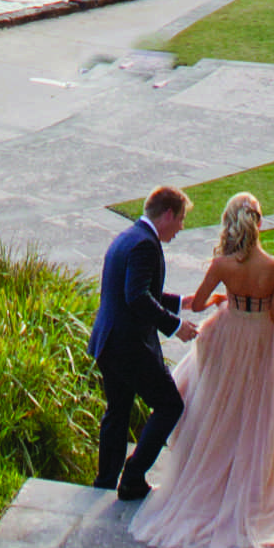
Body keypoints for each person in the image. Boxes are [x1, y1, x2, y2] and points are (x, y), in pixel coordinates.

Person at [131, 189, 274, 548]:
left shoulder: (222, 265)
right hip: (260, 340)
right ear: (259, 223)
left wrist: (220, 299)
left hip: (228, 337)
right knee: (254, 415)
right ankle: (246, 491)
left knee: (219, 411)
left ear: (231, 223)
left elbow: (196, 303)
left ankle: (211, 483)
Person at [89, 184, 192, 502]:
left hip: (108, 343)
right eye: (181, 220)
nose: (181, 228)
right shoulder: (147, 245)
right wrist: (175, 326)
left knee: (117, 412)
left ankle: (105, 480)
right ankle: (133, 478)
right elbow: (136, 297)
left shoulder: (126, 237)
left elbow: (133, 289)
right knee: (169, 405)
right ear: (168, 214)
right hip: (130, 346)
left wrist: (180, 302)